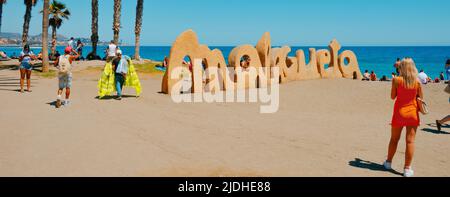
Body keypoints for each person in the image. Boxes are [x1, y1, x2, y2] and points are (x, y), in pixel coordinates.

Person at [384, 58, 423, 177]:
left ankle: (388, 163)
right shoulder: (417, 82)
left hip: (399, 113)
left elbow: (392, 96)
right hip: (412, 114)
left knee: (394, 139)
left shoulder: (396, 80)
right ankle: (407, 169)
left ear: (402, 68)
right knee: (410, 141)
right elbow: (421, 97)